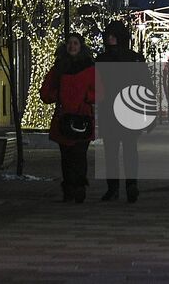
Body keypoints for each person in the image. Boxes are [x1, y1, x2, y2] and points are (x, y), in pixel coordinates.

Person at [95, 19, 149, 203]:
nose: (110, 38)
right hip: (120, 111)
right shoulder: (132, 58)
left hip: (120, 111)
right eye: (108, 35)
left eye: (113, 35)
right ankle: (121, 186)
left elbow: (145, 86)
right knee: (120, 151)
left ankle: (123, 187)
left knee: (121, 151)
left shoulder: (106, 60)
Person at [40, 33, 97, 202]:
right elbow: (45, 92)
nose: (72, 46)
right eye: (70, 43)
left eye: (76, 43)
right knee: (66, 157)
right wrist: (57, 95)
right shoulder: (58, 68)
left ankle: (78, 188)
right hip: (64, 119)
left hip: (82, 119)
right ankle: (69, 188)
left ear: (81, 47)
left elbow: (99, 91)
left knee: (79, 155)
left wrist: (87, 97)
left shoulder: (89, 68)